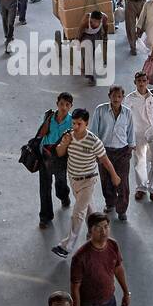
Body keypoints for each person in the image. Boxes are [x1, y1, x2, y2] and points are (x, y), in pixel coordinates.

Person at [51, 108, 120, 259]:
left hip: (88, 181)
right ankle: (96, 233)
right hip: (73, 180)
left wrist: (114, 175)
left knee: (78, 213)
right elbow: (60, 152)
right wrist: (65, 143)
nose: (75, 127)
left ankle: (66, 247)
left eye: (79, 124)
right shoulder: (69, 136)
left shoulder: (94, 141)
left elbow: (104, 160)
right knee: (90, 210)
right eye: (74, 123)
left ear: (86, 124)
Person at [91, 86, 134, 221]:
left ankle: (122, 209)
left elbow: (131, 131)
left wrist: (130, 148)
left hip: (122, 151)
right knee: (106, 180)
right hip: (104, 151)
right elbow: (94, 132)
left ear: (122, 98)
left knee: (123, 182)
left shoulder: (127, 113)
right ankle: (110, 203)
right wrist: (96, 152)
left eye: (119, 96)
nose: (116, 99)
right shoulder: (100, 110)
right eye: (114, 96)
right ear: (109, 96)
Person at [36, 92, 74, 228]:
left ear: (71, 106)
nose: (64, 107)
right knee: (44, 187)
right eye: (61, 104)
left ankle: (64, 196)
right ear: (57, 103)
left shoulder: (72, 121)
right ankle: (45, 216)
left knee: (61, 182)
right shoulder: (49, 117)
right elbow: (40, 134)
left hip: (61, 157)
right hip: (45, 154)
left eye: (67, 105)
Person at [128, 71, 153, 203]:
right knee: (140, 162)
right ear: (135, 83)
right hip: (138, 134)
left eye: (144, 81)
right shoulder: (130, 98)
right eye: (139, 81)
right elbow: (127, 118)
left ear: (147, 81)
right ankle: (141, 188)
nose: (142, 83)